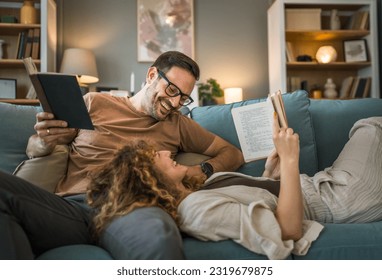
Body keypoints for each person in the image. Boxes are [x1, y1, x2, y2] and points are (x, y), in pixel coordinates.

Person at [0, 51, 244, 260]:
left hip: (131, 209)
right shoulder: (93, 103)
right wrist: (44, 142)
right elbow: (36, 147)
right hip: (72, 208)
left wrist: (198, 171)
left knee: (159, 237)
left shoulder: (179, 124)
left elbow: (231, 153)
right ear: (151, 76)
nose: (175, 102)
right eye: (171, 89)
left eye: (183, 97)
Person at [86, 114, 382, 260]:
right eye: (156, 157)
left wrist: (272, 173)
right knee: (372, 126)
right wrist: (290, 160)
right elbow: (288, 229)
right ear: (146, 179)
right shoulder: (196, 211)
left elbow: (264, 198)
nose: (166, 152)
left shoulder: (193, 192)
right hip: (340, 198)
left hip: (324, 184)